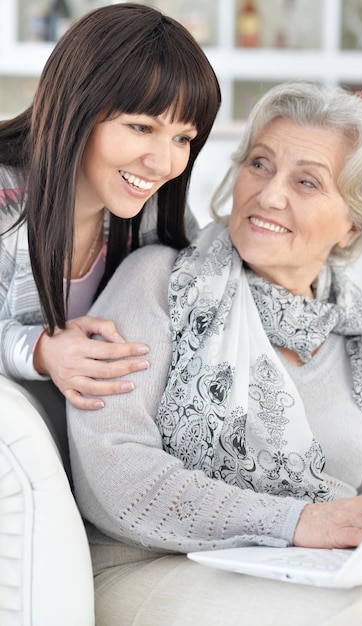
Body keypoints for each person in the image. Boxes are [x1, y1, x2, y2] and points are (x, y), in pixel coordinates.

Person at [68, 82, 362, 625]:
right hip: (148, 568)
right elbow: (114, 474)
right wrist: (295, 520)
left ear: (352, 222)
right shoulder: (162, 282)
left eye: (306, 181)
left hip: (312, 573)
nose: (269, 194)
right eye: (260, 164)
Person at [0, 3, 221, 469]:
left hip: (93, 462)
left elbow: (223, 294)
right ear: (78, 107)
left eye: (183, 138)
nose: (163, 164)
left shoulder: (150, 210)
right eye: (142, 127)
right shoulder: (5, 197)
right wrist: (39, 349)